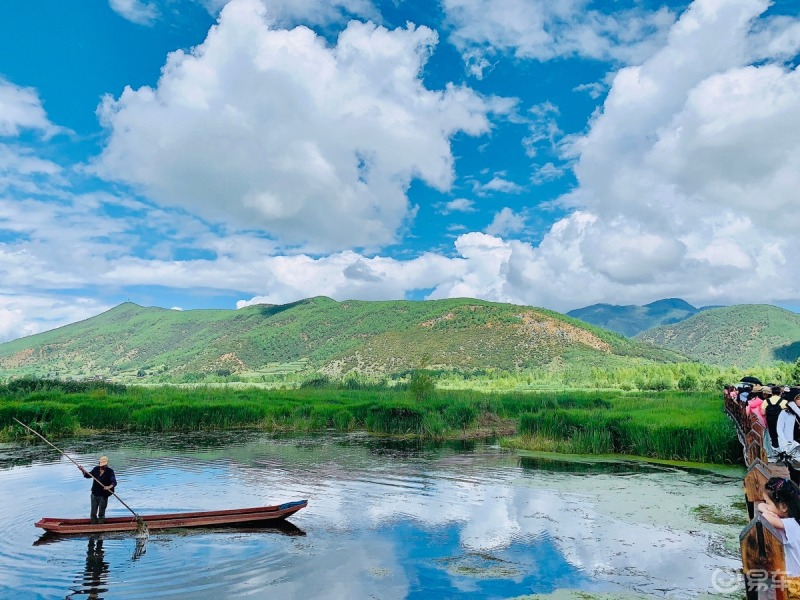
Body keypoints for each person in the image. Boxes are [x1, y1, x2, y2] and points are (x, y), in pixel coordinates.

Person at [758, 477, 800, 591]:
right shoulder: (794, 520)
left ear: (783, 506)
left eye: (768, 502)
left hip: (795, 582)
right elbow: (760, 506)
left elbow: (765, 517)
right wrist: (768, 508)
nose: (766, 505)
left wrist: (767, 513)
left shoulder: (791, 524)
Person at [78, 456, 117, 524]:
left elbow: (114, 482)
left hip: (103, 495)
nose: (103, 466)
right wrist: (82, 470)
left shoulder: (110, 471)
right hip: (94, 494)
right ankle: (93, 524)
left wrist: (108, 487)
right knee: (93, 512)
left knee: (101, 512)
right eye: (102, 464)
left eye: (104, 465)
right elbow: (88, 475)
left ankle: (101, 524)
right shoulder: (95, 469)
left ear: (107, 464)